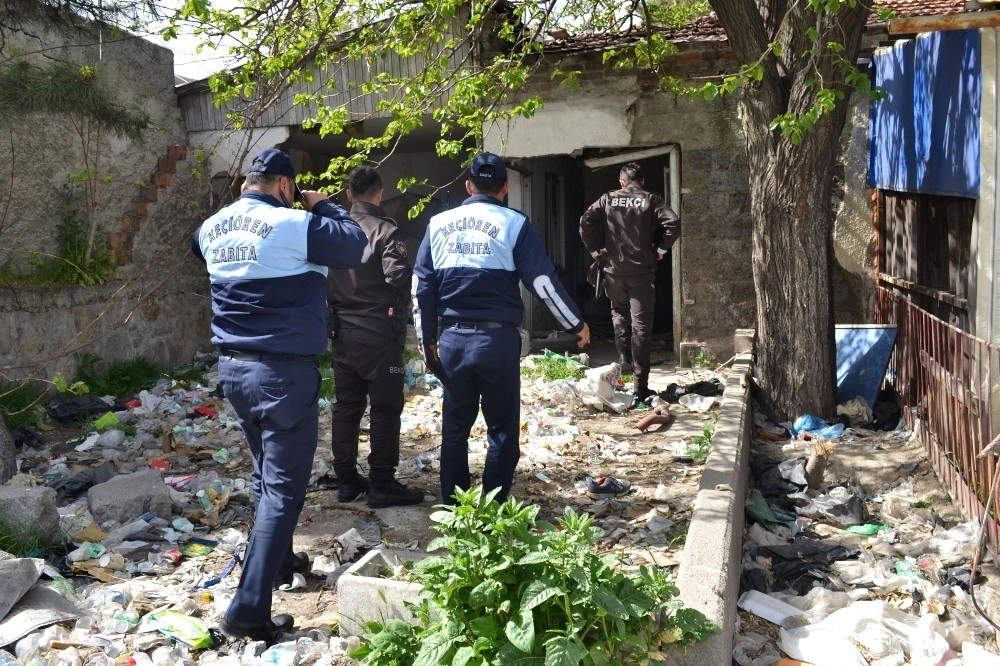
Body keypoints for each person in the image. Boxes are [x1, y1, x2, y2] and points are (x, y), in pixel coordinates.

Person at [192, 148, 370, 645]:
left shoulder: (212, 228)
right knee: (283, 490)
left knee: (265, 477)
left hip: (234, 372)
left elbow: (196, 247)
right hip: (281, 376)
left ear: (247, 182)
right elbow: (355, 245)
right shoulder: (295, 224)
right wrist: (322, 206)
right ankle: (248, 610)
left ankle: (279, 563)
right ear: (286, 186)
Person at [412, 152, 590, 504]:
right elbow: (542, 283)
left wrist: (426, 339)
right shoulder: (514, 224)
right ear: (505, 188)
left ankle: (454, 508)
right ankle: (492, 507)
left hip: (453, 341)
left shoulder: (438, 225)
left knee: (455, 429)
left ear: (468, 186)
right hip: (497, 341)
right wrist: (575, 323)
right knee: (502, 430)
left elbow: (421, 288)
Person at [326, 166, 425, 508]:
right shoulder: (386, 231)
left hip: (341, 335)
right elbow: (398, 277)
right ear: (380, 194)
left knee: (346, 408)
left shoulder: (333, 231)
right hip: (380, 340)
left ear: (349, 194)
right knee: (385, 408)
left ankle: (346, 482)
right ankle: (381, 483)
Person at [579, 161, 680, 406]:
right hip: (642, 272)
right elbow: (673, 223)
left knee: (618, 312)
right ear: (642, 181)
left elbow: (585, 221)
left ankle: (624, 355)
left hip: (614, 271)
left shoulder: (608, 199)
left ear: (622, 182)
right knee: (642, 325)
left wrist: (594, 250)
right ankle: (640, 387)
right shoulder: (651, 199)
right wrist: (661, 248)